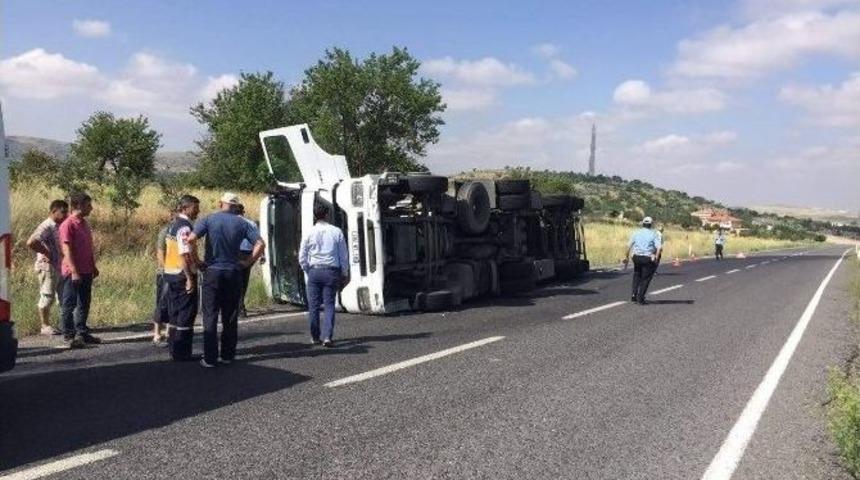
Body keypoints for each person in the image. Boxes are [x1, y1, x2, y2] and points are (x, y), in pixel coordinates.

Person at [187, 193, 265, 368]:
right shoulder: (243, 223)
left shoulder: (209, 220)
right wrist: (247, 262)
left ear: (221, 203)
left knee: (210, 315)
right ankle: (228, 354)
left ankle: (210, 357)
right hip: (233, 272)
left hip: (212, 271)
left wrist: (197, 261)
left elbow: (191, 239)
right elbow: (260, 244)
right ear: (236, 206)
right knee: (230, 315)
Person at [299, 202, 348, 348]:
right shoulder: (336, 231)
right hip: (331, 271)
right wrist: (344, 272)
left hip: (314, 271)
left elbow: (302, 255)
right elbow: (343, 255)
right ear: (327, 215)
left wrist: (307, 269)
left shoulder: (308, 232)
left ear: (315, 216)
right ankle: (327, 336)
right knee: (329, 304)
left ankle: (315, 337)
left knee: (313, 306)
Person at [58, 192, 101, 347]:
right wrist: (74, 271)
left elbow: (87, 248)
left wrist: (93, 266)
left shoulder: (84, 224)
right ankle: (69, 335)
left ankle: (82, 332)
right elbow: (66, 250)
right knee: (68, 303)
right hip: (72, 272)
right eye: (88, 205)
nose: (91, 208)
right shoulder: (67, 225)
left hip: (86, 270)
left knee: (84, 302)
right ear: (78, 206)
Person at [163, 195, 201, 361]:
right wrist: (189, 278)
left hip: (170, 274)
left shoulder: (173, 225)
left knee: (174, 313)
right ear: (186, 208)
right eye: (195, 208)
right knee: (186, 313)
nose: (198, 211)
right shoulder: (185, 227)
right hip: (181, 274)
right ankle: (182, 352)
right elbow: (184, 254)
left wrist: (198, 262)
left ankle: (173, 348)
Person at [26, 200, 69, 336]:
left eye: (66, 211)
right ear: (53, 211)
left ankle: (65, 324)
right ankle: (44, 325)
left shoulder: (58, 225)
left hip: (59, 265)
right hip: (47, 267)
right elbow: (31, 242)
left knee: (63, 295)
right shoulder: (47, 225)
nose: (65, 214)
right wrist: (46, 252)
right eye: (62, 211)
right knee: (47, 295)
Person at [623, 216, 663, 305]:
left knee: (637, 275)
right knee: (645, 278)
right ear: (651, 225)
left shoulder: (636, 233)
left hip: (636, 257)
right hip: (647, 258)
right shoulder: (654, 234)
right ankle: (640, 298)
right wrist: (656, 258)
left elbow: (628, 246)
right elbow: (659, 248)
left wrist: (626, 257)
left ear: (643, 224)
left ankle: (634, 294)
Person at [235, 204, 259, 319]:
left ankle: (238, 308)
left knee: (234, 282)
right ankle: (241, 308)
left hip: (235, 253)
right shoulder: (251, 223)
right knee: (244, 282)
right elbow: (258, 241)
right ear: (243, 212)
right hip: (248, 254)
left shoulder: (232, 223)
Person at [152, 214, 172, 347]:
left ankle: (169, 331)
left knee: (173, 303)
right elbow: (160, 253)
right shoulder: (165, 231)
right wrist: (165, 270)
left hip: (177, 273)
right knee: (161, 303)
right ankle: (157, 333)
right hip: (165, 273)